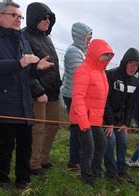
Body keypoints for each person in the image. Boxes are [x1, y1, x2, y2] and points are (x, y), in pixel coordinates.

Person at [0, 1, 53, 190]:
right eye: (14, 16)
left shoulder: (21, 39)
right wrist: (20, 62)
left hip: (24, 99)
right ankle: (2, 180)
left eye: (20, 17)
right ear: (0, 15)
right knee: (6, 143)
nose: (19, 20)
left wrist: (38, 68)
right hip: (4, 99)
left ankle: (23, 180)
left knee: (25, 143)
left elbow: (27, 71)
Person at [22, 2, 61, 176]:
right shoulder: (24, 37)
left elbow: (53, 65)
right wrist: (38, 91)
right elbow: (25, 69)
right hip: (37, 93)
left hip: (53, 91)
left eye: (49, 18)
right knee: (38, 128)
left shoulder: (47, 38)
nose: (47, 21)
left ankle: (43, 158)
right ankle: (33, 163)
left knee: (53, 125)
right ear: (33, 18)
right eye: (44, 17)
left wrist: (57, 84)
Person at [69, 39, 114, 187]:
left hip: (95, 119)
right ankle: (87, 179)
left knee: (101, 145)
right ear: (96, 53)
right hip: (83, 119)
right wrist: (83, 122)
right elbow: (78, 97)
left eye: (108, 55)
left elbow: (102, 100)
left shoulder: (102, 73)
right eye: (104, 54)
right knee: (89, 148)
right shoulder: (83, 70)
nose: (106, 58)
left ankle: (95, 173)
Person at [103, 47, 139, 184]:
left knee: (123, 142)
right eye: (131, 63)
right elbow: (104, 101)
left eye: (137, 65)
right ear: (125, 62)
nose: (133, 67)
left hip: (120, 120)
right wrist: (109, 122)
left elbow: (130, 105)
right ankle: (111, 173)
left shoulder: (135, 83)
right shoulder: (110, 75)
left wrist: (126, 123)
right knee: (110, 142)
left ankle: (122, 170)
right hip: (106, 118)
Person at [61, 22, 93, 171]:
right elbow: (80, 75)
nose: (90, 40)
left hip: (80, 94)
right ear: (80, 37)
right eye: (88, 37)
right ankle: (75, 160)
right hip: (73, 95)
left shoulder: (84, 51)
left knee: (79, 127)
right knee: (77, 127)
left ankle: (78, 158)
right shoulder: (74, 52)